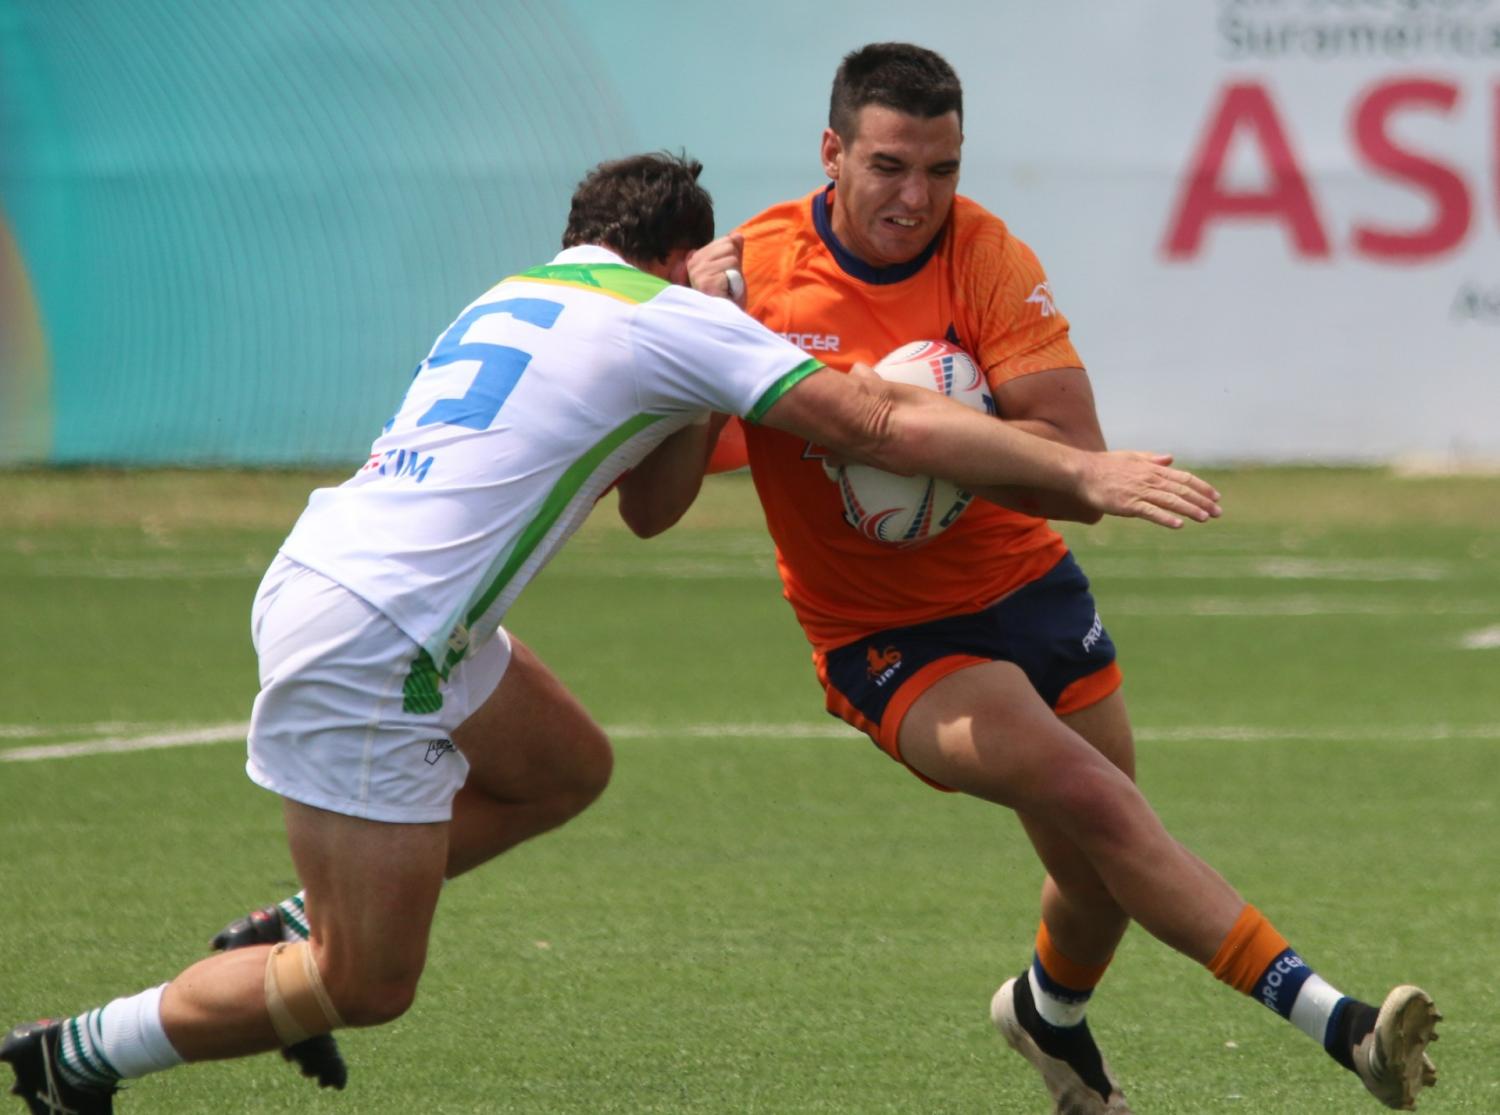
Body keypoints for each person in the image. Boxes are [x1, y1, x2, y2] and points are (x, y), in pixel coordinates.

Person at [0, 152, 1220, 1114]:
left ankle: (300, 919)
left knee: (566, 766)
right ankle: (80, 1052)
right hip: (382, 644)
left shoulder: (519, 287)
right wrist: (1087, 474)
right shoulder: (665, 315)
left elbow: (648, 505)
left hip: (341, 579)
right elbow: (878, 426)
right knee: (365, 985)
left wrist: (699, 355)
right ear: (685, 256)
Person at [682, 42, 1440, 1114]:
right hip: (888, 636)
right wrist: (740, 356)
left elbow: (1070, 451)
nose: (918, 196)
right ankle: (1345, 1023)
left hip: (1028, 586)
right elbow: (678, 468)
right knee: (1100, 803)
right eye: (892, 165)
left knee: (1097, 874)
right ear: (832, 152)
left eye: (941, 169)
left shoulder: (987, 253)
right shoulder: (753, 276)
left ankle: (1048, 1015)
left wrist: (920, 427)